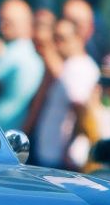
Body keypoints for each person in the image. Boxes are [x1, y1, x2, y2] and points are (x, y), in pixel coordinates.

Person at [30, 18, 98, 170]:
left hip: (60, 157)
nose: (56, 44)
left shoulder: (78, 67)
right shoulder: (70, 65)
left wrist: (69, 148)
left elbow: (80, 110)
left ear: (78, 39)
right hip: (51, 153)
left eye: (62, 39)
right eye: (55, 38)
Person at [0, 0, 44, 133]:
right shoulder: (33, 55)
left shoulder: (14, 52)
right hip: (13, 130)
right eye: (1, 20)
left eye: (8, 22)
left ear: (24, 23)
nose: (2, 26)